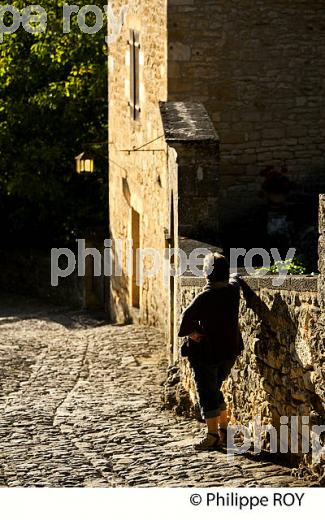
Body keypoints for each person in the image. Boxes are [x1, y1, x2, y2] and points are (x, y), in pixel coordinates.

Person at [178, 252, 243, 451]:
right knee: (214, 389)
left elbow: (185, 321)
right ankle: (224, 431)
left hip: (207, 353)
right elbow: (236, 279)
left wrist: (192, 333)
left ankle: (212, 435)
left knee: (207, 393)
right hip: (229, 351)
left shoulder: (204, 297)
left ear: (207, 274)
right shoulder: (232, 291)